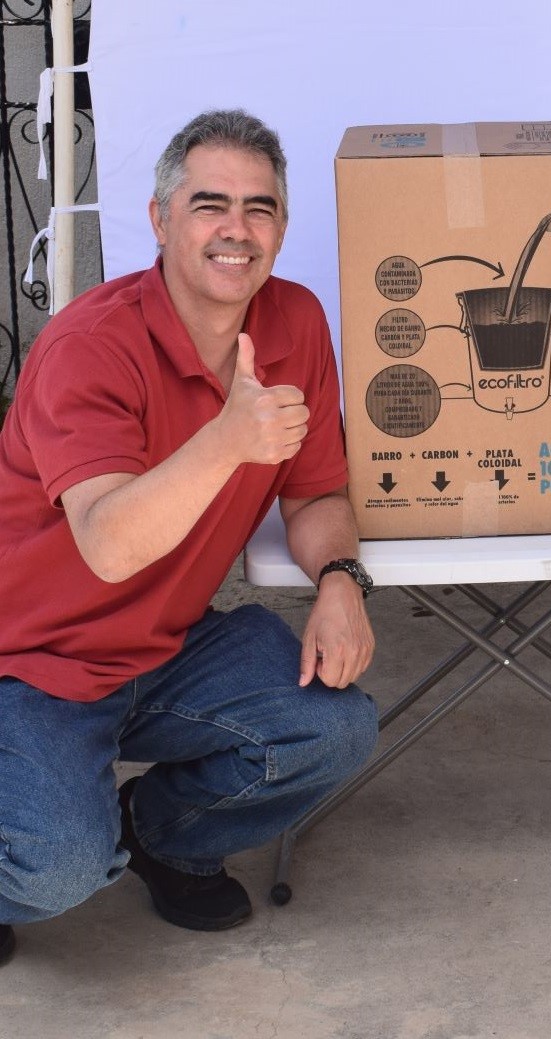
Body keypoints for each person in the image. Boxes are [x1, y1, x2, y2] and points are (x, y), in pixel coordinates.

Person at [0, 109, 379, 966]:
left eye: (260, 208)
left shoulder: (294, 320)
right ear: (161, 219)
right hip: (30, 662)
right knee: (58, 867)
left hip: (165, 647)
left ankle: (164, 834)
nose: (236, 231)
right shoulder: (88, 347)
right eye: (210, 205)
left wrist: (341, 582)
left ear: (282, 227)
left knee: (334, 726)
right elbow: (106, 542)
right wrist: (227, 439)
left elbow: (317, 488)